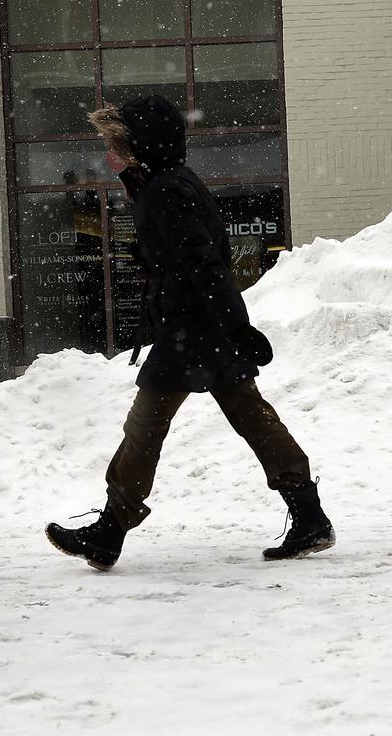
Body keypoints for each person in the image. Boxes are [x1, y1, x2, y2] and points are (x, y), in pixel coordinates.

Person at [45, 95, 334, 570]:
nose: (113, 152)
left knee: (144, 427)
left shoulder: (164, 190)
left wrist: (238, 327)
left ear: (143, 141)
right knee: (252, 418)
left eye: (120, 142)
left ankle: (110, 530)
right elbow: (190, 255)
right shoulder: (168, 182)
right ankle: (310, 517)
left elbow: (204, 263)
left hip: (193, 330)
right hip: (201, 327)